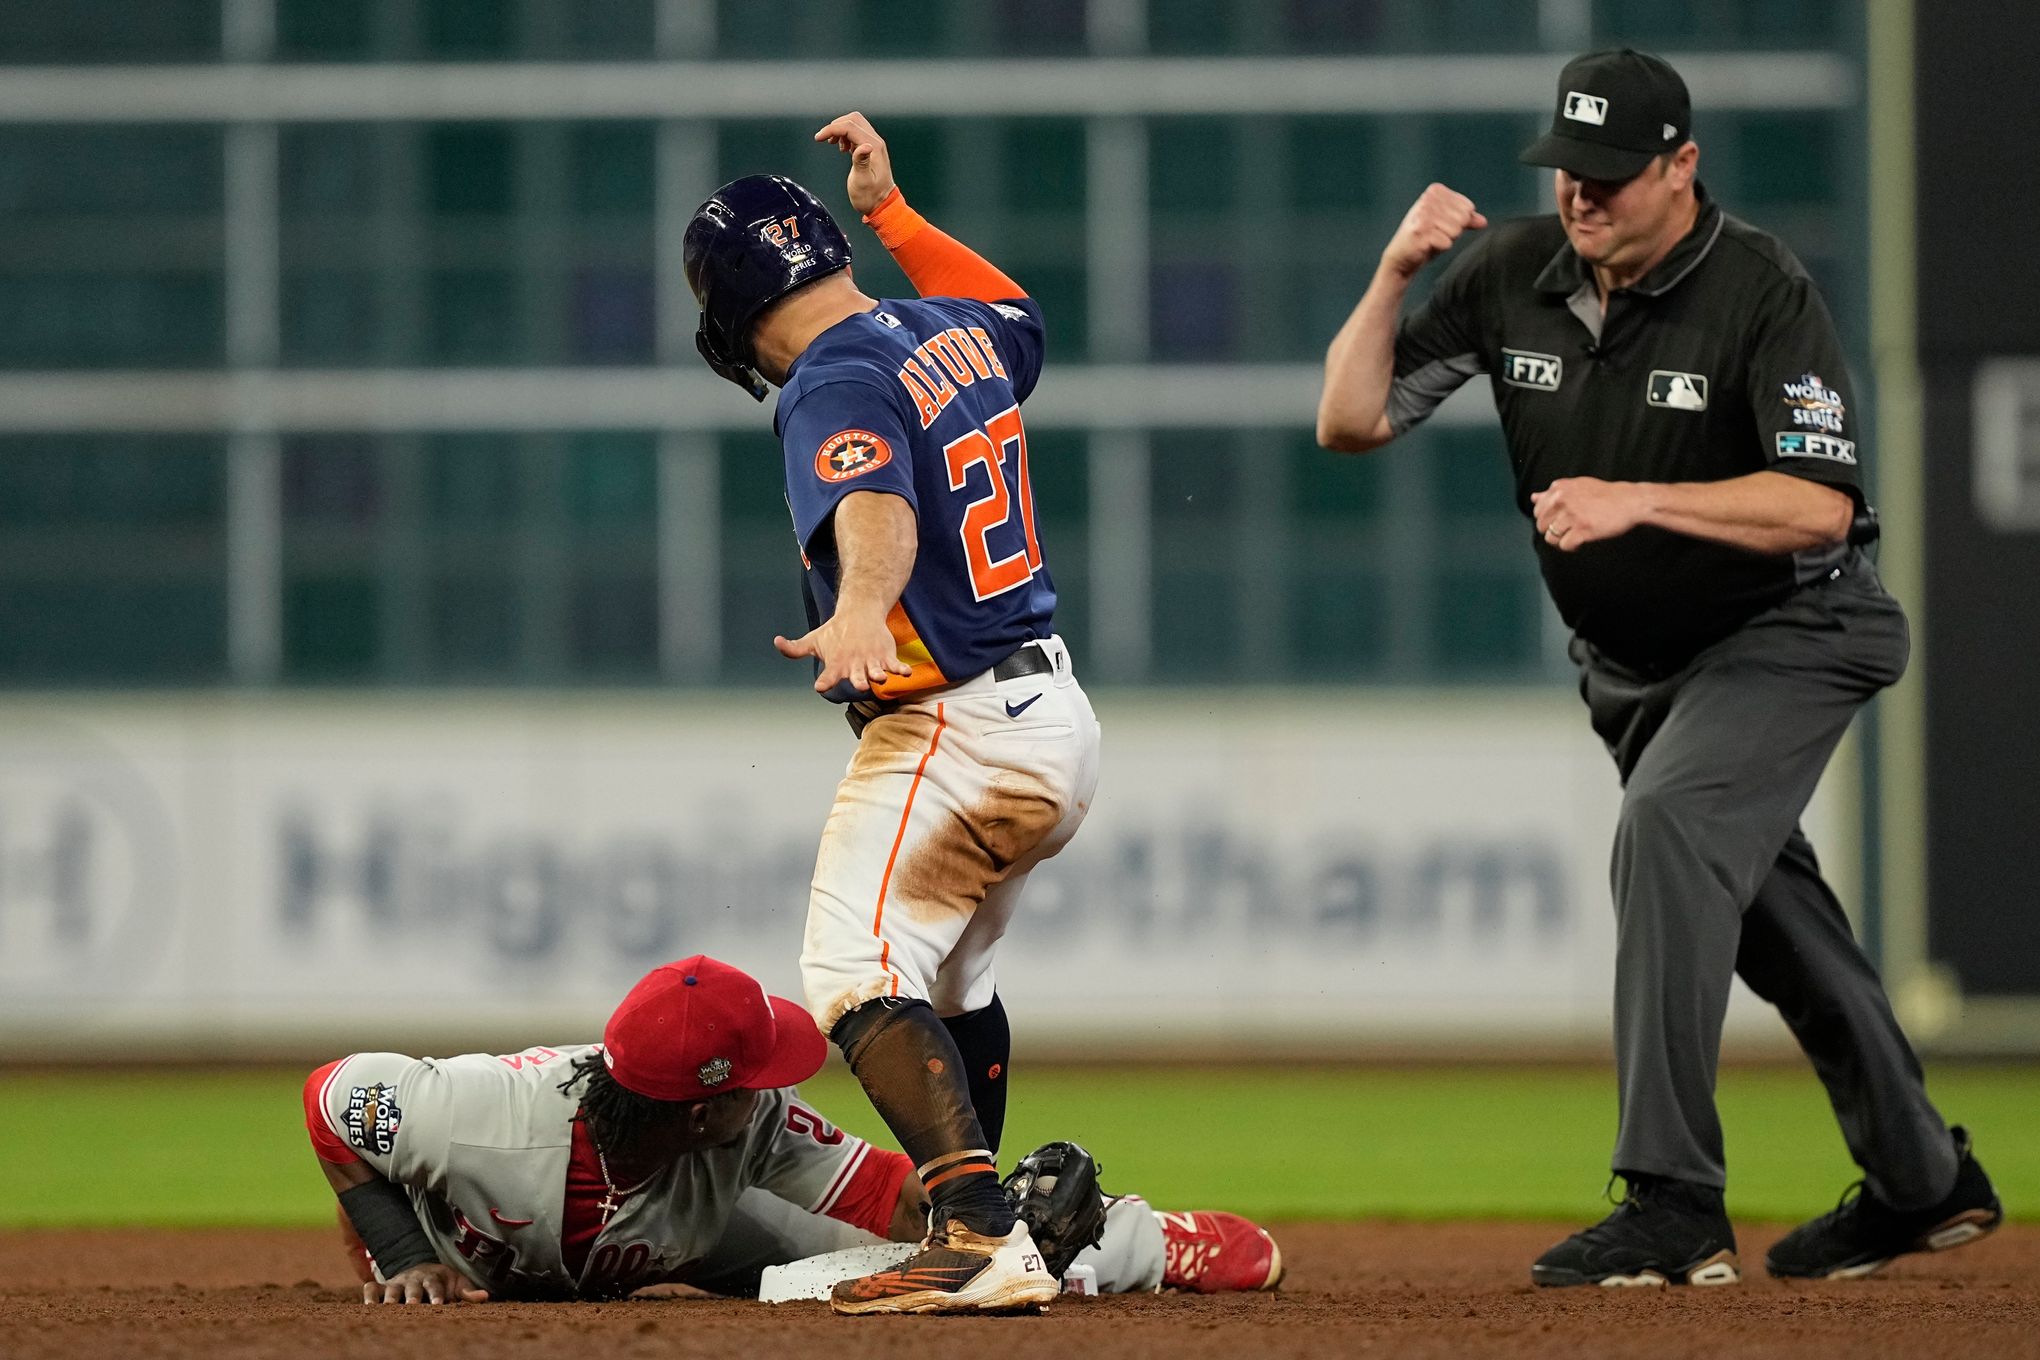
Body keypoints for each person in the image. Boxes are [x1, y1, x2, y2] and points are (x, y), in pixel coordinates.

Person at [1316, 48, 2001, 1287]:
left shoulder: (1757, 288)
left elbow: (1821, 509)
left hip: (1795, 629)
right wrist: (1392, 272)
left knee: (1672, 823)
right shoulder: (1514, 269)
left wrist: (1639, 498)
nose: (1584, 197)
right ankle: (1923, 1179)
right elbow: (1351, 420)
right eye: (1569, 171)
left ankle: (1673, 1200)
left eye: (1614, 176)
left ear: (1682, 168)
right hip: (1638, 670)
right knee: (1774, 921)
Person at [680, 113, 1105, 1313]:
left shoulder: (831, 375)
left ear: (732, 314)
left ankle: (976, 1233)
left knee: (852, 966)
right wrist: (896, 217)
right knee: (951, 983)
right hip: (1053, 712)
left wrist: (863, 604)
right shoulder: (951, 331)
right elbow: (1024, 317)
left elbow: (875, 504)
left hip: (954, 721)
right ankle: (990, 1219)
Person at [304, 955, 1283, 1304]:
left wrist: (1003, 1204)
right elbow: (327, 1099)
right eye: (753, 1071)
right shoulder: (476, 1118)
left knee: (918, 1264)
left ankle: (1136, 1241)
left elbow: (894, 1197)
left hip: (683, 1235)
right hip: (472, 1252)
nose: (775, 1079)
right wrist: (397, 1253)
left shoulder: (744, 1122)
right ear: (701, 1106)